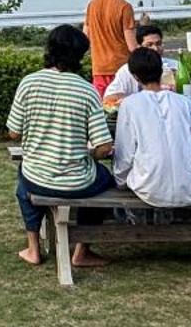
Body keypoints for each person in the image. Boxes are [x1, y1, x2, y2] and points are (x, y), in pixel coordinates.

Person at [7, 24, 116, 269]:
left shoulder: (29, 83)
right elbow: (104, 146)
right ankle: (81, 250)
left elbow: (14, 132)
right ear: (80, 56)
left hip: (36, 176)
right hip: (77, 182)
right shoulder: (86, 90)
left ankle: (33, 248)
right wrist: (91, 154)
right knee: (106, 182)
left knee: (23, 183)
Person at [112, 47, 191, 208]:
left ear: (135, 76)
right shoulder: (185, 102)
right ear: (161, 71)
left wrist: (120, 181)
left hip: (148, 190)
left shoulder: (129, 104)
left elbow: (124, 156)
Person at [84, 0, 138, 96]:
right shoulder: (124, 7)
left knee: (103, 107)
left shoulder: (92, 4)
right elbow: (132, 46)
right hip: (121, 67)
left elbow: (86, 35)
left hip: (98, 67)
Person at [102, 23, 186, 105]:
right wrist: (138, 100)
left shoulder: (174, 66)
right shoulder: (127, 70)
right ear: (139, 47)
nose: (155, 49)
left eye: (158, 44)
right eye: (149, 45)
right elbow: (108, 98)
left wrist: (179, 83)